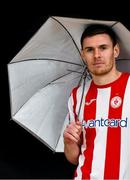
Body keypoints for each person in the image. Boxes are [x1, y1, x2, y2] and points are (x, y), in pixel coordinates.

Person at [63, 24, 130, 180]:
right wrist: (69, 142)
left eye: (103, 48)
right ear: (83, 55)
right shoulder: (77, 95)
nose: (97, 55)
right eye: (90, 50)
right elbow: (73, 157)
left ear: (116, 51)